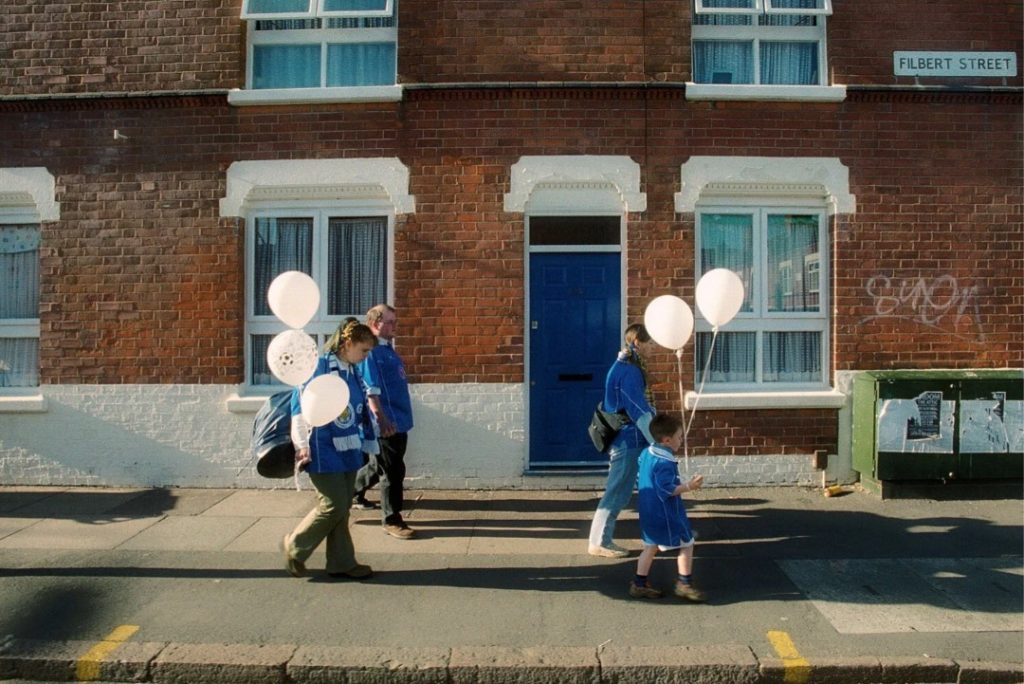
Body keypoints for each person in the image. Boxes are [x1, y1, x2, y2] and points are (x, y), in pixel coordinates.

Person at [281, 318, 379, 580]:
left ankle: (341, 562)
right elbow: (298, 407)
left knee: (342, 507)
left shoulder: (351, 370)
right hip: (321, 447)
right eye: (364, 350)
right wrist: (301, 444)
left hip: (348, 445)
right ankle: (295, 545)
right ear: (347, 343)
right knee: (333, 505)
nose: (366, 356)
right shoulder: (320, 367)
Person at [587, 323, 657, 558]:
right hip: (628, 440)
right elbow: (638, 409)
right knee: (616, 492)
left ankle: (603, 540)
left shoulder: (626, 365)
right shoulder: (629, 372)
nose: (653, 347)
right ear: (637, 343)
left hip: (628, 439)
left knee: (622, 491)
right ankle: (599, 542)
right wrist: (657, 444)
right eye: (650, 343)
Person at [352, 304, 416, 540]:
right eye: (389, 322)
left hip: (399, 419)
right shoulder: (370, 353)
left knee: (378, 465)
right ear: (374, 323)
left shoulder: (387, 349)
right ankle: (392, 519)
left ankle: (351, 492)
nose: (394, 326)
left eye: (395, 321)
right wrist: (382, 419)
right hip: (387, 423)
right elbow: (371, 390)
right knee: (392, 470)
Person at [629, 413, 706, 601]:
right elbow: (667, 490)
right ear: (667, 440)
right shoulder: (664, 462)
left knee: (650, 546)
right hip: (665, 514)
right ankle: (684, 584)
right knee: (687, 543)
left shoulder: (647, 452)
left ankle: (639, 584)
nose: (681, 440)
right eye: (679, 437)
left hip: (648, 510)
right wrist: (689, 486)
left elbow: (642, 473)